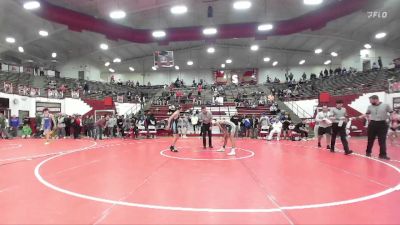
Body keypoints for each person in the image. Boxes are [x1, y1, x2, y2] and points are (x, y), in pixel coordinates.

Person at [357, 95, 392, 160]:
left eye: (371, 100)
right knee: (370, 139)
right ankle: (368, 152)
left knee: (382, 140)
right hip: (372, 123)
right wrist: (359, 117)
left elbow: (391, 113)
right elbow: (367, 114)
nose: (370, 102)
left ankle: (383, 155)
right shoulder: (369, 106)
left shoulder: (386, 105)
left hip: (382, 124)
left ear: (376, 99)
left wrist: (391, 120)